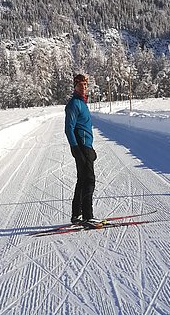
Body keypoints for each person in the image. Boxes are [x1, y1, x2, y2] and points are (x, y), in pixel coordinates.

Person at [65, 74, 100, 225]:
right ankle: (88, 216)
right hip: (81, 146)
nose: (84, 87)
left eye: (85, 85)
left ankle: (76, 214)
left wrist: (89, 148)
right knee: (89, 180)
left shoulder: (82, 103)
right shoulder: (74, 104)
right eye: (80, 85)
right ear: (75, 86)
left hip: (86, 146)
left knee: (82, 180)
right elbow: (69, 129)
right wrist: (76, 149)